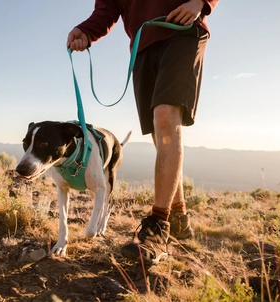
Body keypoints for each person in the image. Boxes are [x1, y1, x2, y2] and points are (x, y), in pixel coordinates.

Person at [67, 0, 219, 264]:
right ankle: (179, 217)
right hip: (142, 45)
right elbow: (106, 11)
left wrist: (200, 2)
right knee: (159, 133)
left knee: (165, 118)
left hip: (183, 32)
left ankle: (158, 226)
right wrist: (85, 31)